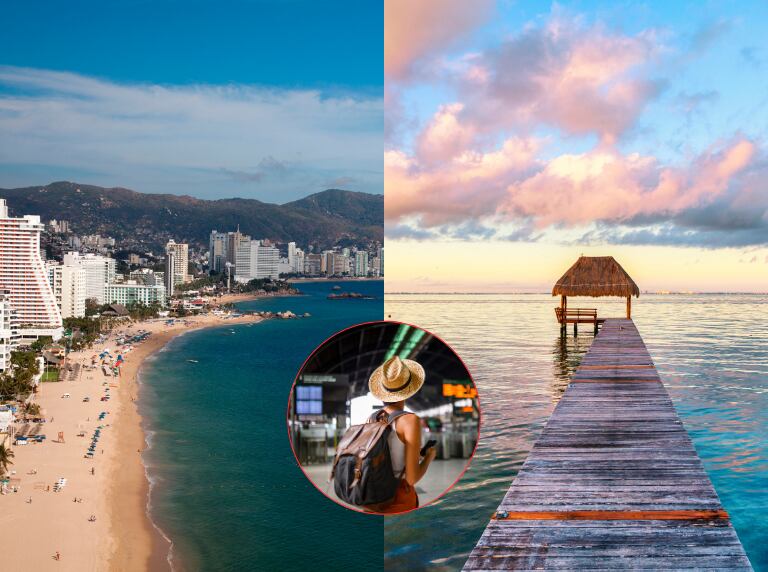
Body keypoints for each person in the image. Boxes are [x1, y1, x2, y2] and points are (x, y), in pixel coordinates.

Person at [366, 355, 436, 514]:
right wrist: (428, 458)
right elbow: (411, 479)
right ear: (408, 392)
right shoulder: (410, 420)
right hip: (397, 501)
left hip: (370, 497)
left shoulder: (371, 418)